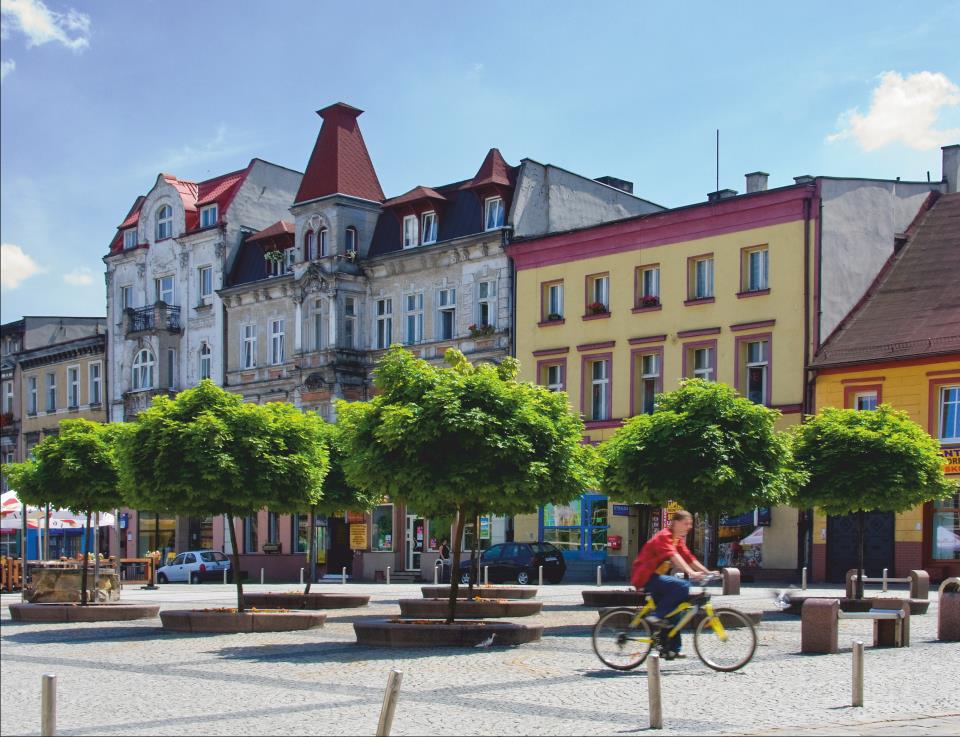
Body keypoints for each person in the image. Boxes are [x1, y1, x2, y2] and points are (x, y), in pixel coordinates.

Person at [630, 510, 715, 658]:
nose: (689, 527)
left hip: (656, 578)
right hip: (646, 577)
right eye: (686, 523)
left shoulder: (678, 539)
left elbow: (689, 558)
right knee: (683, 586)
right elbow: (674, 556)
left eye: (690, 524)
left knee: (676, 610)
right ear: (675, 523)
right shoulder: (664, 537)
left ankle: (671, 649)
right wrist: (692, 573)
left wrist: (707, 572)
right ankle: (656, 616)